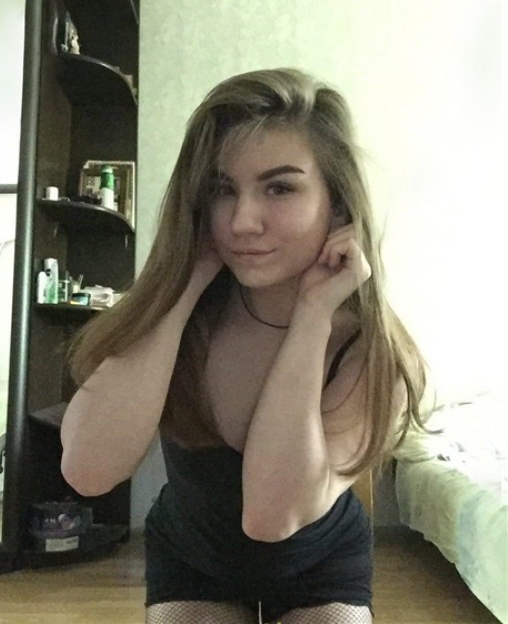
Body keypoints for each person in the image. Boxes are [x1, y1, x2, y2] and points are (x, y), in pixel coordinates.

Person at [60, 68, 428, 624]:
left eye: (280, 188)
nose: (242, 221)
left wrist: (312, 317)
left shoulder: (373, 352)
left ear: (337, 205)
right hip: (192, 558)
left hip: (319, 564)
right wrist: (181, 285)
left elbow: (272, 517)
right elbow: (88, 472)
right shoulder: (184, 321)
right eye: (221, 190)